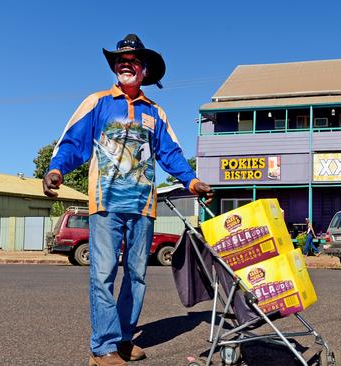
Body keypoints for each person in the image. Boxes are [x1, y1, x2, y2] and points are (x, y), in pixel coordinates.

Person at [42, 34, 214, 366]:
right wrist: (56, 170)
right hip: (105, 203)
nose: (126, 64)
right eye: (120, 60)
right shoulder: (97, 102)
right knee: (104, 273)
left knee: (136, 276)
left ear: (144, 70)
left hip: (143, 206)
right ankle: (102, 348)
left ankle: (122, 339)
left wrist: (190, 179)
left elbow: (170, 153)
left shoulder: (155, 112)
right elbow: (72, 141)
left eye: (133, 60)